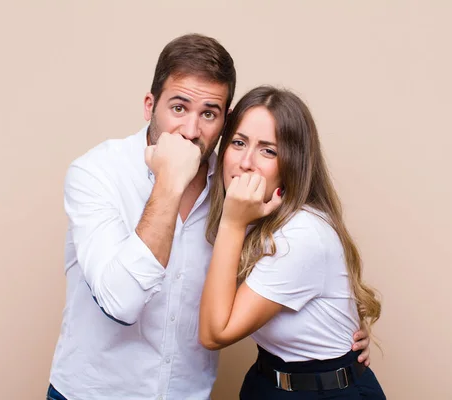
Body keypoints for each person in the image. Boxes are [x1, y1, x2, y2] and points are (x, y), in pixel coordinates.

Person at [47, 34, 371, 400]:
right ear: (149, 104)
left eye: (209, 114)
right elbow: (121, 303)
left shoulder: (239, 189)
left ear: (225, 120)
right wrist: (169, 183)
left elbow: (301, 259)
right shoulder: (97, 173)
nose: (190, 130)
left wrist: (337, 344)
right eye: (178, 108)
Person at [199, 86, 386, 399]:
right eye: (239, 142)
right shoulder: (252, 211)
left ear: (292, 163)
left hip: (326, 390)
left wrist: (233, 223)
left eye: (268, 150)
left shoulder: (300, 235)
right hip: (269, 379)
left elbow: (214, 333)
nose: (246, 162)